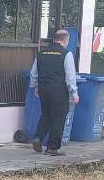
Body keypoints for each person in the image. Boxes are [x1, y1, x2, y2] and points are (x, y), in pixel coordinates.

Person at [28, 29, 79, 157]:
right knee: (58, 118)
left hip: (43, 89)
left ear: (54, 39)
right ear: (66, 40)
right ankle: (52, 148)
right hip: (58, 90)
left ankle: (38, 137)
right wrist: (74, 92)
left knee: (46, 115)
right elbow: (70, 75)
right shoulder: (66, 54)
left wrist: (35, 86)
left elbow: (33, 73)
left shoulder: (41, 53)